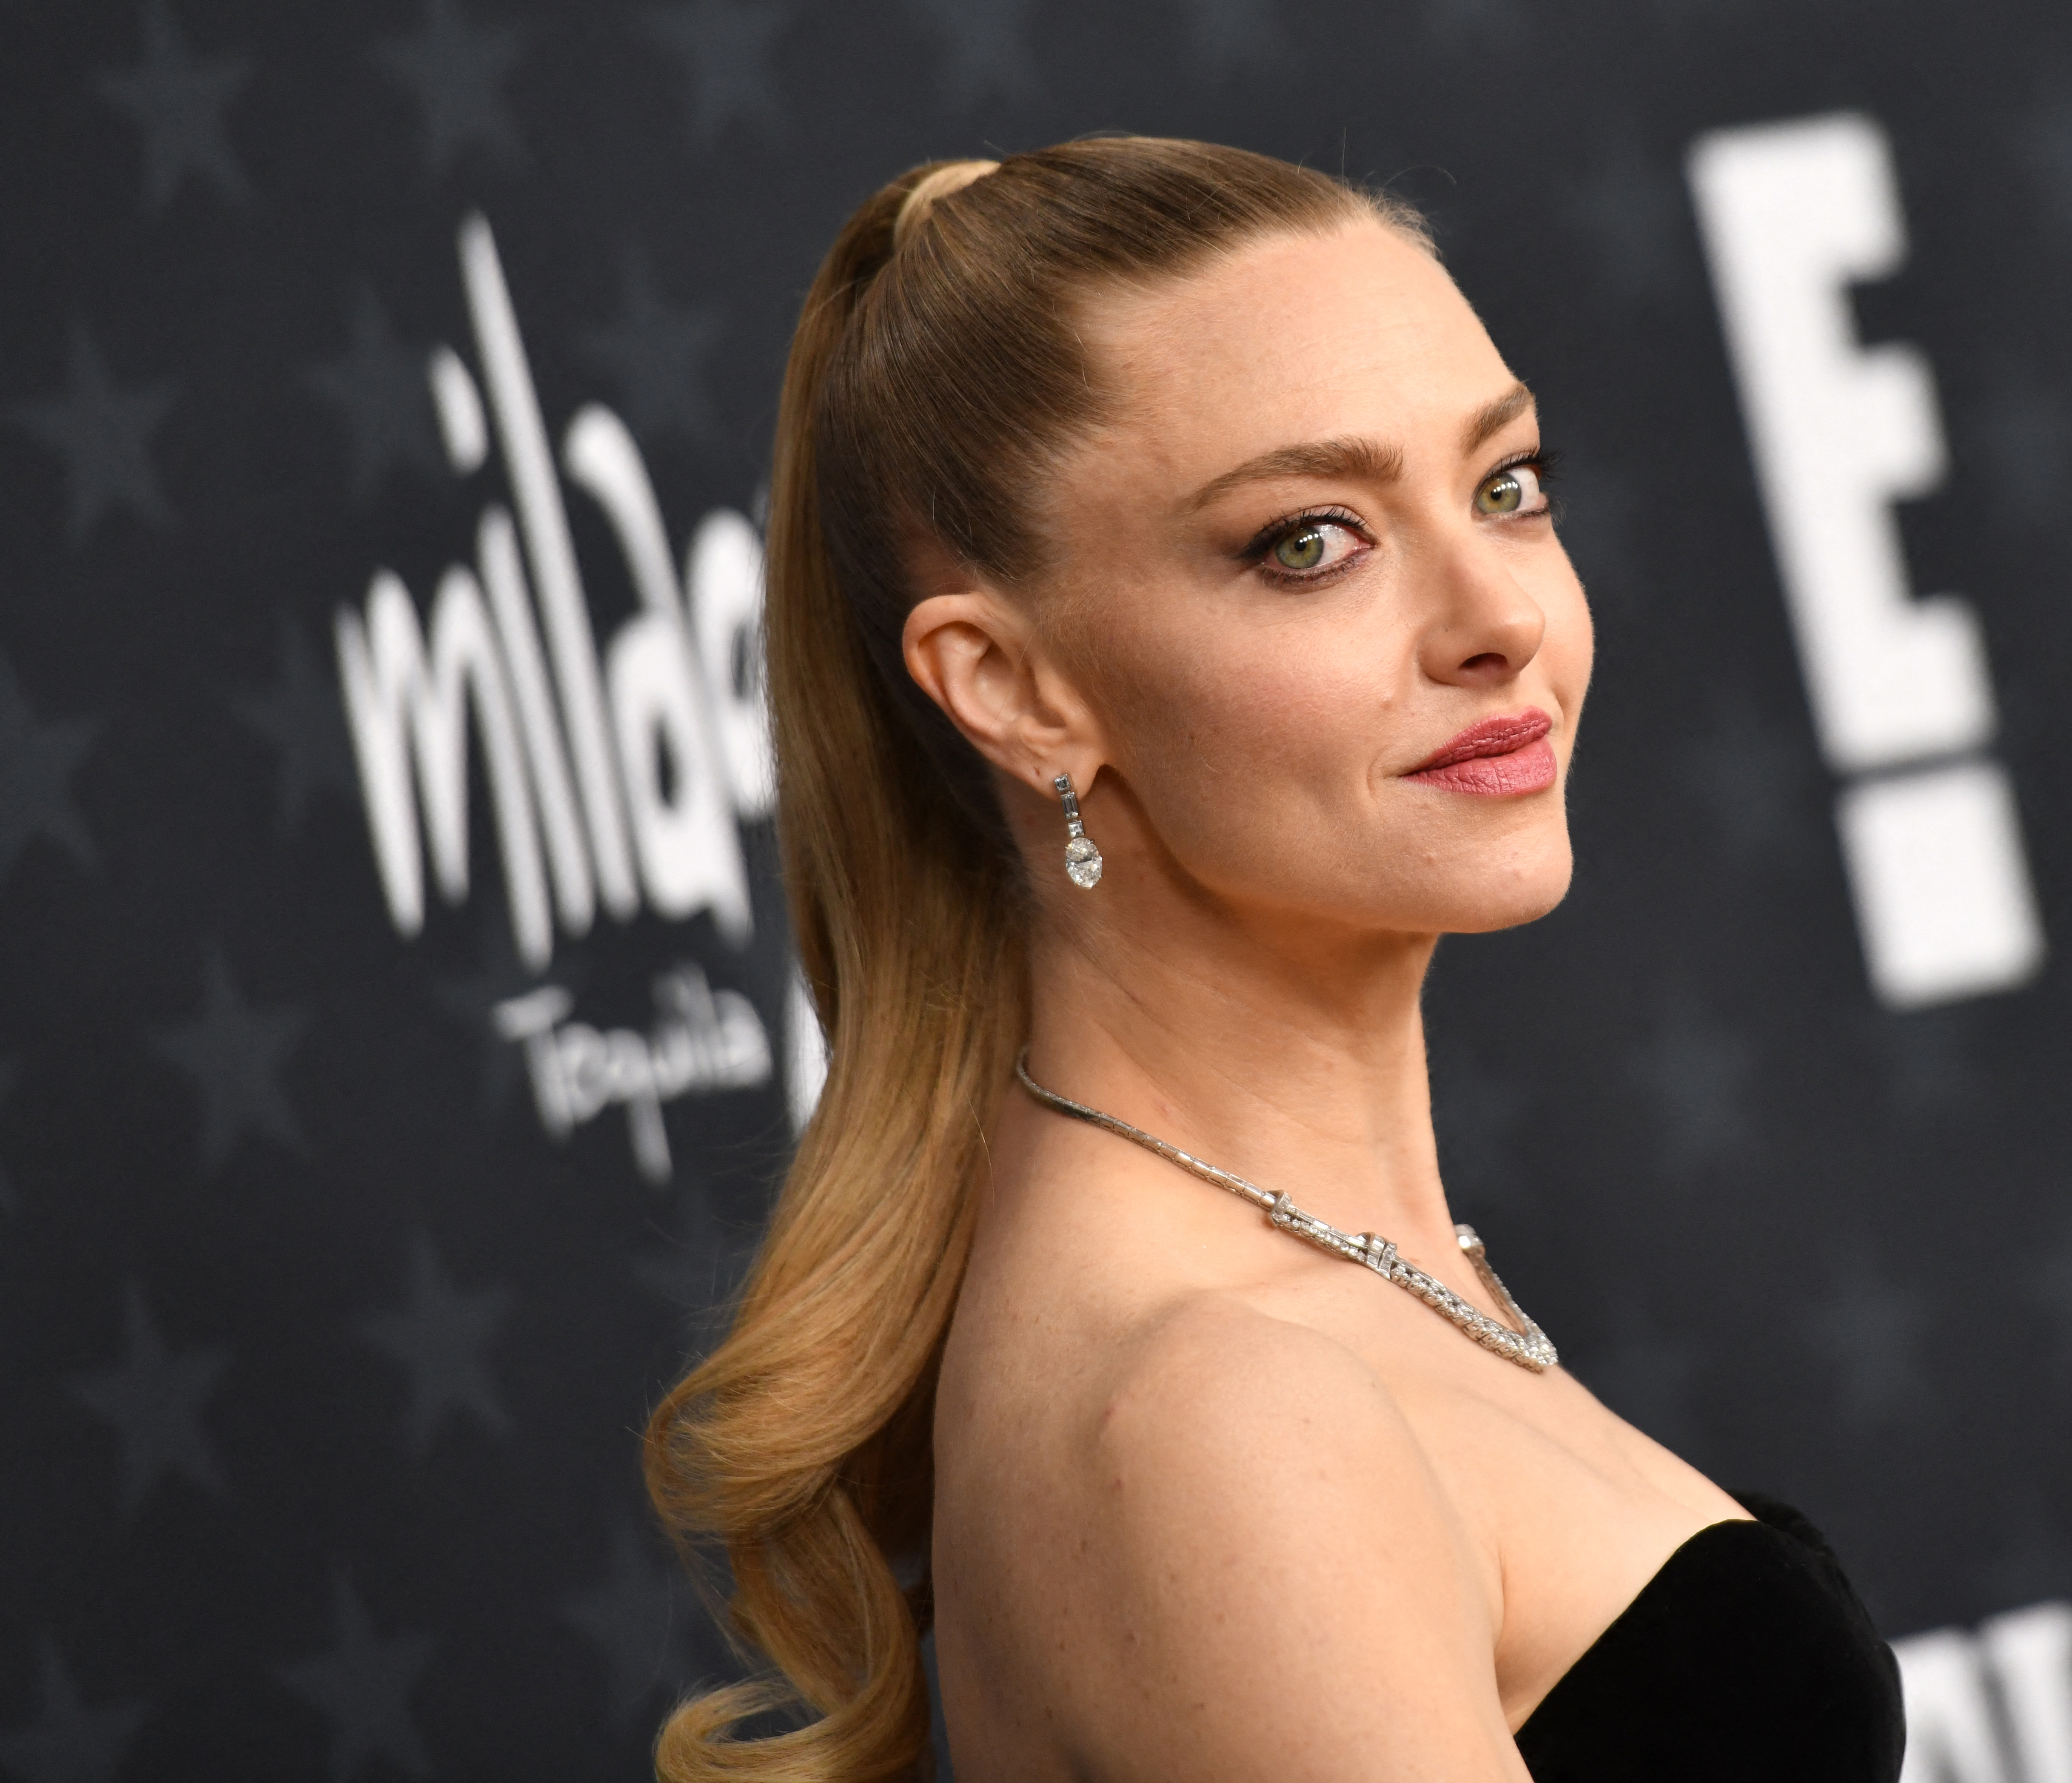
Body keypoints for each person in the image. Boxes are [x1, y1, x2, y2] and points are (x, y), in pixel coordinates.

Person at [644, 137, 1903, 1783]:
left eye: (1506, 485)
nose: (1500, 619)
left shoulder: (1274, 1308)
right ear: (1016, 690)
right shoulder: (1223, 1417)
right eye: (1312, 541)